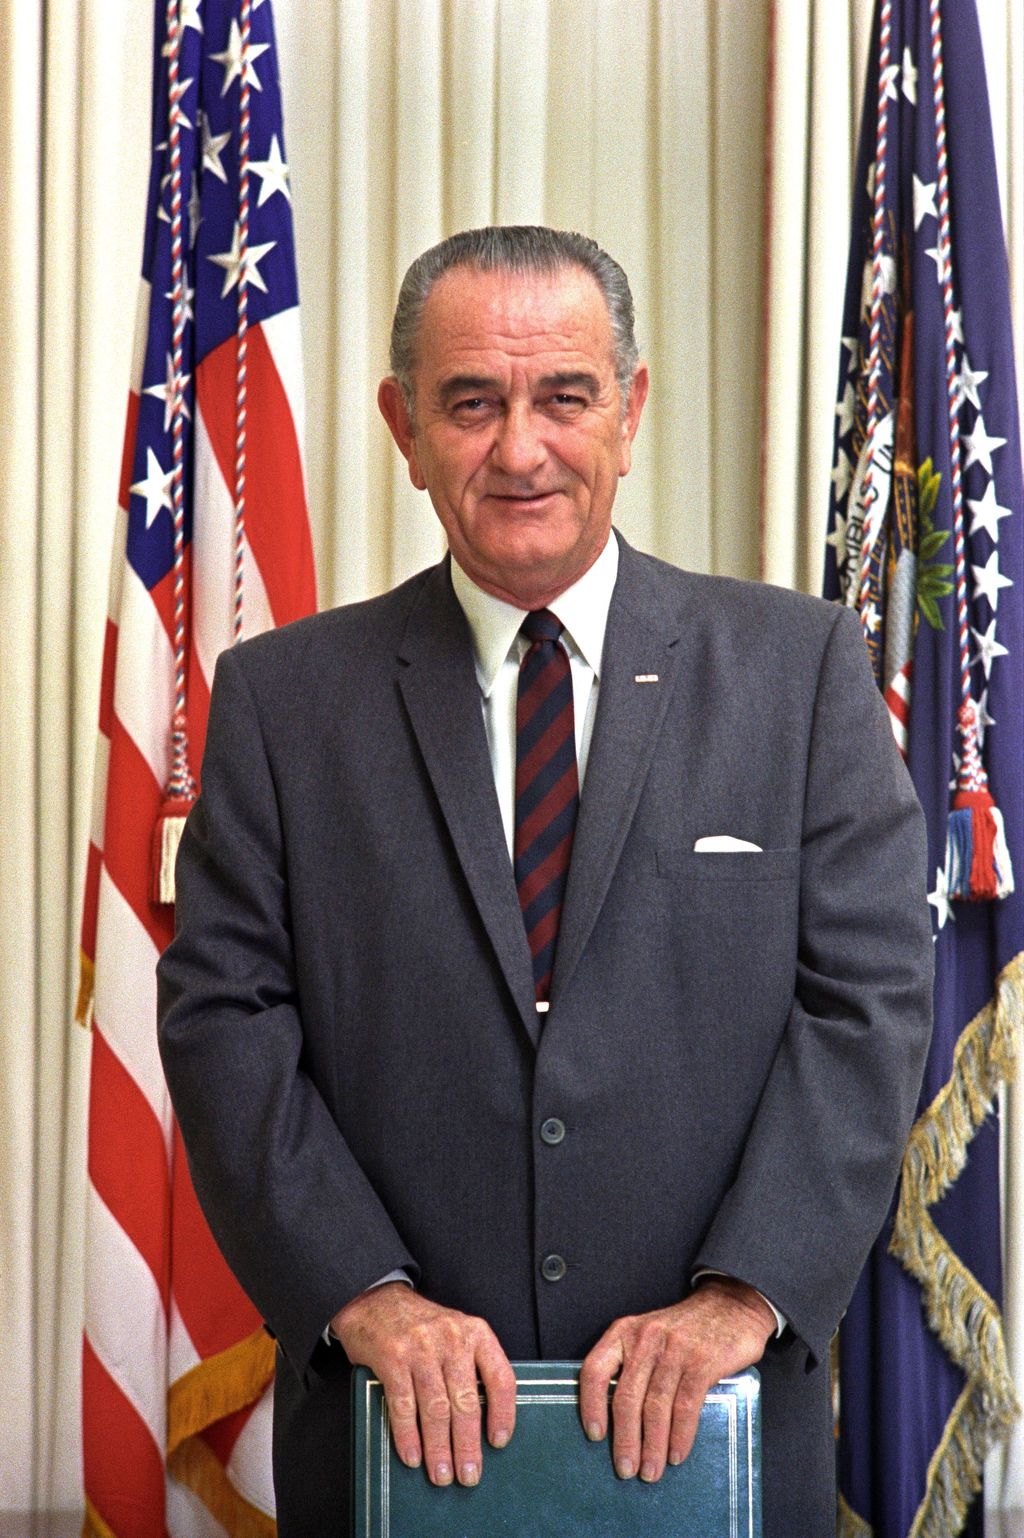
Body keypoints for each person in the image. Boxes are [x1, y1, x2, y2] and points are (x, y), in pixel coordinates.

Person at [157, 225, 933, 1536]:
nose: (520, 449)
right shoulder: (283, 703)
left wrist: (742, 1294)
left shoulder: (800, 672)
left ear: (628, 411)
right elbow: (225, 1020)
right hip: (390, 1439)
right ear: (406, 429)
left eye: (563, 396)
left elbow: (867, 1008)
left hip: (718, 1433)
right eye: (473, 402)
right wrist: (364, 1293)